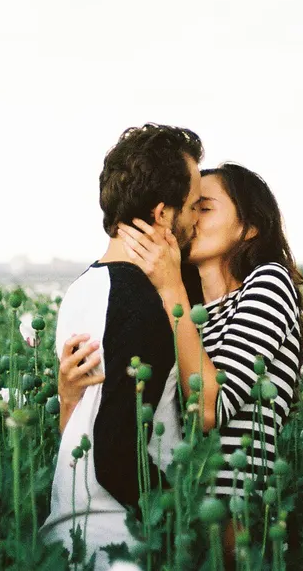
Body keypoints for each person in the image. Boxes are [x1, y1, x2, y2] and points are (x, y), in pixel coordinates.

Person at [58, 162, 303, 558]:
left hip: (235, 525)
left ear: (249, 227)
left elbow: (209, 409)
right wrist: (71, 398)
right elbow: (104, 444)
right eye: (191, 208)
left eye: (204, 208)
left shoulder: (269, 283)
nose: (192, 220)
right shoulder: (186, 313)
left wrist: (170, 285)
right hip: (179, 521)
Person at [39, 123, 204, 570]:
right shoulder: (144, 304)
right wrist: (180, 520)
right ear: (163, 214)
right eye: (193, 206)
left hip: (70, 536)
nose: (196, 220)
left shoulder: (83, 287)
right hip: (121, 543)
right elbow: (115, 453)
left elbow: (84, 425)